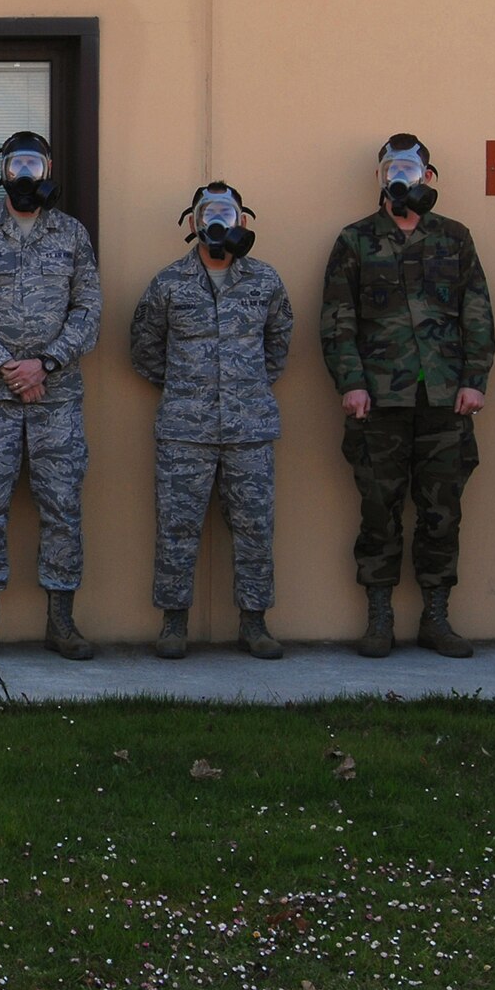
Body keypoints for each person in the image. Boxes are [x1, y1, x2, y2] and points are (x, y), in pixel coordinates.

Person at [319, 134, 494, 657]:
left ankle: (436, 619)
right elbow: (336, 319)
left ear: (428, 178)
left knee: (442, 511)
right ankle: (379, 620)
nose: (401, 177)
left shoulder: (455, 238)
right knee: (379, 508)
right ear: (380, 178)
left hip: (444, 399)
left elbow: (477, 313)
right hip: (379, 400)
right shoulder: (355, 241)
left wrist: (474, 379)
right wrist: (350, 382)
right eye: (392, 169)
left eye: (411, 169)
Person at [0, 131, 101, 661]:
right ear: (3, 173)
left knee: (62, 507)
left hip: (57, 397)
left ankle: (62, 623)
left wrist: (46, 363)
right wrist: (4, 364)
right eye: (16, 166)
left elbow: (88, 311)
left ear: (49, 169)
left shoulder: (72, 236)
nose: (25, 175)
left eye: (33, 164)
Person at [129, 183, 293, 659]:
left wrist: (246, 387)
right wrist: (188, 390)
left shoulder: (265, 282)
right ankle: (173, 624)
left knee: (255, 527)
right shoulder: (168, 284)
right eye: (208, 212)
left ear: (243, 221)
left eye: (227, 212)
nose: (217, 220)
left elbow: (279, 345)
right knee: (177, 526)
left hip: (250, 429)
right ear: (193, 222)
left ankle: (255, 624)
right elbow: (144, 349)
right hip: (185, 430)